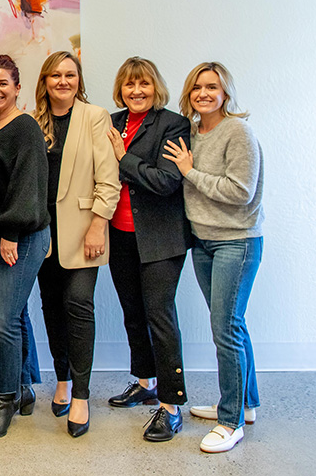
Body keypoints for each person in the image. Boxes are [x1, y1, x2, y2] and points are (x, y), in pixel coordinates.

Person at [164, 61, 264, 454]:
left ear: (225, 93)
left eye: (212, 87)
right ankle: (247, 404)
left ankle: (230, 421)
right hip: (203, 242)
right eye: (196, 88)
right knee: (231, 325)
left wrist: (189, 172)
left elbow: (241, 191)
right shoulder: (191, 132)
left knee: (226, 330)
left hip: (236, 243)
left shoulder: (237, 131)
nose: (203, 94)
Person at [32, 51, 120, 438]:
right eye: (55, 75)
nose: (62, 81)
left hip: (86, 230)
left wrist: (99, 225)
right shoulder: (32, 121)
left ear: (78, 80)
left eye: (69, 75)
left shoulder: (94, 117)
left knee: (78, 305)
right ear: (45, 81)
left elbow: (109, 178)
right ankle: (62, 378)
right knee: (51, 307)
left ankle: (81, 395)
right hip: (41, 233)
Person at [104, 57, 193, 442]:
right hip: (119, 234)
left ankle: (171, 407)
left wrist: (124, 159)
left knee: (159, 316)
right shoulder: (111, 122)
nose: (136, 91)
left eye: (143, 84)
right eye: (128, 85)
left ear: (155, 87)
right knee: (133, 313)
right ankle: (145, 382)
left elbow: (165, 181)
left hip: (160, 238)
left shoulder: (173, 125)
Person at [0, 55, 50, 441]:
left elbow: (28, 185)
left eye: (3, 83)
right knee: (16, 313)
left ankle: (4, 399)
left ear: (17, 87)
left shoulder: (25, 129)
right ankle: (23, 387)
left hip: (20, 236)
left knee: (3, 319)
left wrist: (11, 233)